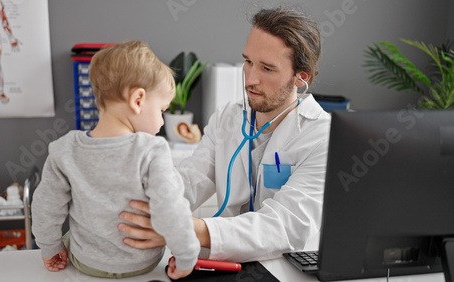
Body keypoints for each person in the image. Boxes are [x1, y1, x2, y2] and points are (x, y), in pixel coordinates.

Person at [118, 7, 332, 263]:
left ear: (301, 77)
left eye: (267, 68)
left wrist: (186, 228)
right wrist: (137, 204)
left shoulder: (323, 137)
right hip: (227, 259)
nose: (250, 78)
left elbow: (283, 225)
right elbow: (190, 180)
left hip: (285, 267)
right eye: (249, 62)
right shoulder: (228, 119)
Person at [31, 41, 200, 280]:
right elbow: (172, 209)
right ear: (138, 100)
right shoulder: (152, 150)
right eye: (161, 110)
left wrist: (49, 248)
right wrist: (186, 258)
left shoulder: (65, 149)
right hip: (143, 264)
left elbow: (45, 207)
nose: (162, 122)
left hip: (86, 263)